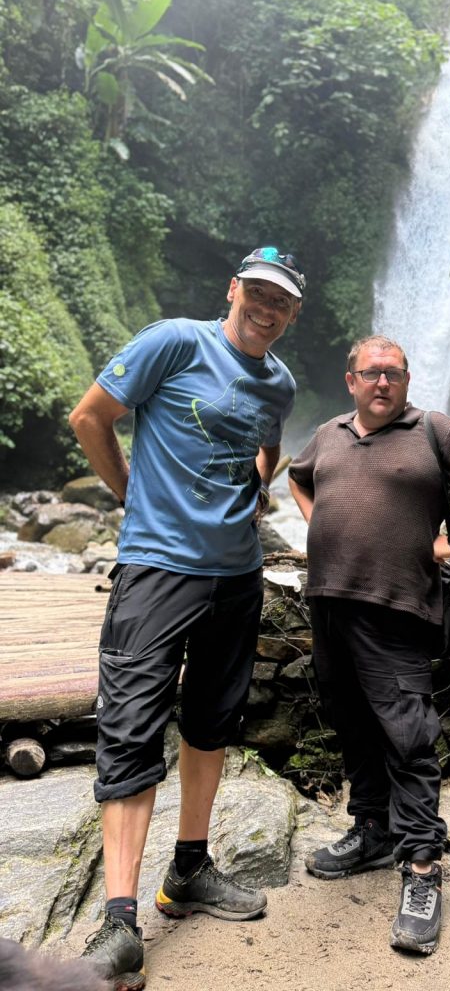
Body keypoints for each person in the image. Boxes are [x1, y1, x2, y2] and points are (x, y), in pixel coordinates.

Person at [68, 246, 305, 989]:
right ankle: (119, 922)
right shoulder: (174, 341)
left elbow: (269, 445)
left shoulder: (280, 382)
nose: (267, 307)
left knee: (211, 721)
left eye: (282, 300)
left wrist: (255, 490)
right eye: (258, 291)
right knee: (131, 727)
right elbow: (90, 417)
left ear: (294, 313)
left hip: (237, 577)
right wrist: (130, 494)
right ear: (233, 288)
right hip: (157, 570)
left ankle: (190, 868)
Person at [288, 335, 450, 954]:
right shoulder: (329, 433)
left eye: (393, 373)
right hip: (328, 603)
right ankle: (372, 831)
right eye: (371, 373)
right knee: (352, 723)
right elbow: (298, 478)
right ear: (352, 381)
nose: (382, 382)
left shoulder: (434, 430)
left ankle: (422, 867)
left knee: (408, 736)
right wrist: (318, 520)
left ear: (407, 380)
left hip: (396, 609)